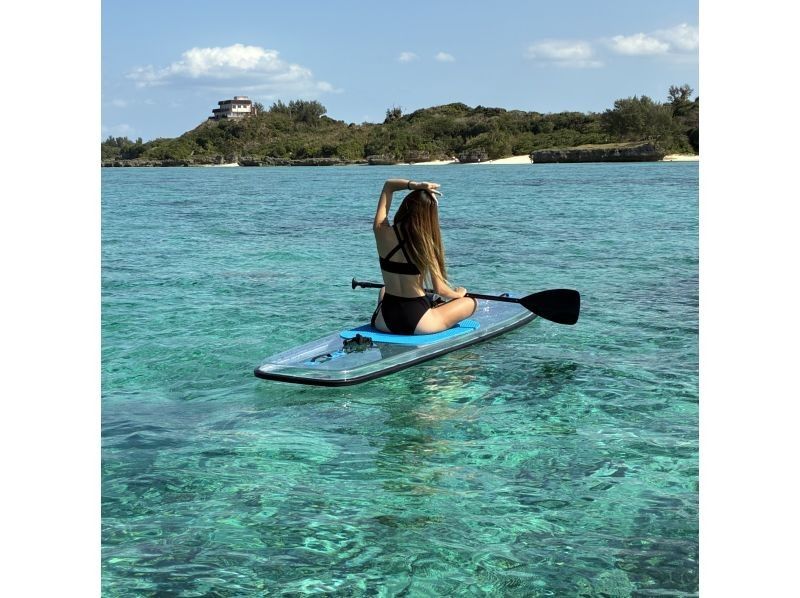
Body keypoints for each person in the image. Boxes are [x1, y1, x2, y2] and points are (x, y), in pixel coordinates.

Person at [371, 178, 478, 335]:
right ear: (428, 216)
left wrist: (416, 186)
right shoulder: (425, 244)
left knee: (384, 288)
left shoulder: (380, 230)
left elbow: (389, 185)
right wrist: (458, 294)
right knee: (470, 303)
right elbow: (440, 289)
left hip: (384, 320)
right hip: (418, 322)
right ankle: (436, 306)